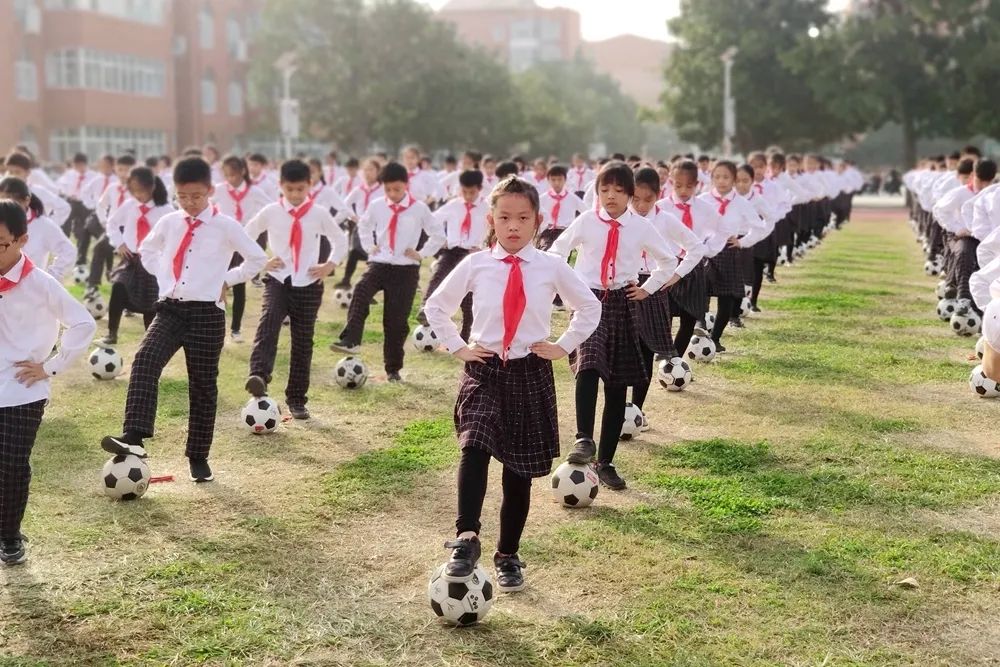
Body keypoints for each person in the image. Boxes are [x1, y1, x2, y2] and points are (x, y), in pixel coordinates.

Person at [425, 176, 600, 592]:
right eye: (504, 217)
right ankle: (466, 538)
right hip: (484, 367)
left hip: (529, 371)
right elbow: (436, 306)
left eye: (523, 218)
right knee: (474, 445)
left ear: (537, 221)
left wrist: (563, 346)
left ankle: (508, 554)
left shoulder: (552, 266)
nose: (514, 226)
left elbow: (588, 306)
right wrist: (457, 346)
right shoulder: (476, 263)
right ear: (492, 219)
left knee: (518, 473)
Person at [99, 157, 267, 483]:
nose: (189, 203)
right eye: (182, 197)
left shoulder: (226, 226)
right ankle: (134, 436)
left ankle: (198, 456)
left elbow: (257, 257)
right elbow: (147, 250)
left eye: (196, 196)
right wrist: (165, 279)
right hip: (171, 308)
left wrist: (227, 280)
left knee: (203, 386)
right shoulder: (170, 222)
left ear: (210, 191)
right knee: (145, 359)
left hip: (207, 314)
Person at [552, 162, 677, 490]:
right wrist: (569, 289)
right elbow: (557, 251)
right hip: (589, 300)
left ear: (630, 194)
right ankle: (583, 438)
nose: (610, 196)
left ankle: (605, 461)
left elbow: (669, 260)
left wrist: (647, 288)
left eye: (618, 191)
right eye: (604, 190)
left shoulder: (641, 227)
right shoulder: (587, 221)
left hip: (623, 301)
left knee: (617, 385)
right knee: (589, 365)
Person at [0, 200, 96, 565]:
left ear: (22, 240)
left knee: (11, 462)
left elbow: (84, 323)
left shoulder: (40, 284)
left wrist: (51, 366)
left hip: (23, 389)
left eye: (1, 244)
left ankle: (9, 536)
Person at [243, 159, 348, 420]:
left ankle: (297, 399)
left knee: (303, 342)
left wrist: (330, 264)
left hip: (309, 284)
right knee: (268, 323)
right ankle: (259, 375)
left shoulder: (319, 213)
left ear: (309, 186)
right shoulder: (271, 211)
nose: (295, 195)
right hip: (278, 279)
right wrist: (262, 261)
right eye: (290, 189)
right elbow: (246, 233)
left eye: (300, 189)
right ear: (281, 186)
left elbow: (340, 239)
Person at [330, 162, 445, 382]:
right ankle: (351, 340)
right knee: (361, 291)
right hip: (380, 263)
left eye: (397, 190)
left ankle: (393, 369)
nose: (392, 194)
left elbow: (438, 235)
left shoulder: (419, 208)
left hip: (406, 270)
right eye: (388, 190)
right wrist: (369, 246)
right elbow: (364, 226)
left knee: (395, 322)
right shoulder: (376, 206)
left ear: (406, 185)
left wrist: (422, 253)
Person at [627, 167, 705, 422]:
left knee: (644, 351)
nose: (640, 205)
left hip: (652, 286)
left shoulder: (665, 219)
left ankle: (636, 409)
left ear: (658, 195)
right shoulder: (621, 217)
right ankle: (619, 408)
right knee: (621, 350)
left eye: (647, 199)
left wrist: (676, 275)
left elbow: (695, 247)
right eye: (635, 198)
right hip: (623, 286)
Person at [657, 160, 725, 358]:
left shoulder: (704, 208)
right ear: (671, 182)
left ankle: (675, 358)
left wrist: (707, 249)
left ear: (696, 184)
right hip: (668, 266)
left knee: (690, 316)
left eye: (688, 186)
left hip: (693, 267)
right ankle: (664, 350)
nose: (683, 190)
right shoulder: (661, 207)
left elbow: (722, 230)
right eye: (678, 185)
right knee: (665, 313)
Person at [698, 161, 766, 350]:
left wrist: (742, 242)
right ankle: (700, 325)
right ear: (711, 179)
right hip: (706, 250)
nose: (721, 181)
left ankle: (716, 338)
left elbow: (759, 227)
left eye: (726, 177)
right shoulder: (703, 199)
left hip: (728, 251)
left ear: (734, 179)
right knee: (701, 290)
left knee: (726, 296)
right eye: (717, 177)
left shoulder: (741, 203)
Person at [101, 167, 173, 344]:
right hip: (131, 259)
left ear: (151, 187)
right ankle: (112, 333)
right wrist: (120, 243)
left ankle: (151, 341)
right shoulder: (129, 205)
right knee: (118, 287)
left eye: (141, 190)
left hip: (154, 262)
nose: (137, 195)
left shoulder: (166, 210)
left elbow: (173, 237)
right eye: (134, 191)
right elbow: (112, 223)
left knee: (151, 304)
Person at [416, 170, 488, 340]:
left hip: (473, 254)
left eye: (472, 192)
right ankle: (425, 308)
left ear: (479, 189)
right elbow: (432, 220)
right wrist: (441, 238)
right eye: (465, 192)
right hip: (452, 250)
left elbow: (494, 230)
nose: (468, 196)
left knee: (468, 297)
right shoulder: (454, 205)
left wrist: (484, 248)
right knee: (439, 274)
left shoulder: (487, 208)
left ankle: (466, 334)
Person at [211, 155, 272, 342]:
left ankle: (236, 328)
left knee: (238, 285)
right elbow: (206, 205)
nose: (230, 179)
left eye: (234, 175)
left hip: (243, 241)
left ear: (242, 172)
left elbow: (270, 208)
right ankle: (215, 326)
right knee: (216, 282)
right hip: (222, 242)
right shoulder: (220, 190)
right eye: (227, 175)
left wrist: (255, 225)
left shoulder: (254, 191)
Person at [0, 177, 74, 281]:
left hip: (28, 288)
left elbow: (68, 251)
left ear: (26, 201)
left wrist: (51, 277)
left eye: (13, 202)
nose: (8, 208)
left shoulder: (42, 225)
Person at [336, 157, 383, 289]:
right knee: (354, 252)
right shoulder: (359, 189)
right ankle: (346, 280)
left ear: (378, 172)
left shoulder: (382, 189)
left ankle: (369, 286)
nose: (368, 173)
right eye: (365, 170)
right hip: (361, 227)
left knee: (373, 256)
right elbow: (344, 204)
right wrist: (354, 216)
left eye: (371, 170)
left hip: (377, 229)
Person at [537, 165, 585, 252]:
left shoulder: (572, 198)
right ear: (548, 180)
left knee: (561, 255)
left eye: (559, 180)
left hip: (565, 232)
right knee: (545, 251)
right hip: (548, 231)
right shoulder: (543, 198)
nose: (556, 183)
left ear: (565, 180)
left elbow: (586, 212)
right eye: (553, 180)